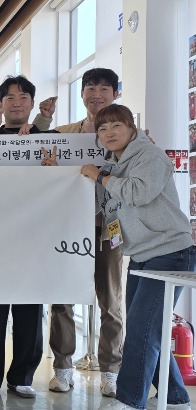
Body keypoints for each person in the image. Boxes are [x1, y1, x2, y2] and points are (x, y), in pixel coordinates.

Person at [42, 104, 194, 410]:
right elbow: (97, 200)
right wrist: (60, 172)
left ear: (132, 128)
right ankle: (175, 396)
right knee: (150, 328)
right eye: (102, 128)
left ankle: (128, 401)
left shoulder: (150, 156)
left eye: (116, 126)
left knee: (140, 331)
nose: (109, 133)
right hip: (140, 257)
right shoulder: (114, 165)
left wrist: (100, 176)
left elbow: (138, 192)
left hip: (170, 254)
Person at [35, 68, 124, 397]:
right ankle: (62, 367)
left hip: (108, 227)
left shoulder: (128, 136)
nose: (96, 94)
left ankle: (111, 370)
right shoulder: (64, 133)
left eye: (104, 88)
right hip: (68, 225)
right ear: (82, 93)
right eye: (90, 88)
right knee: (63, 297)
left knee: (110, 300)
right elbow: (38, 158)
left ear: (115, 93)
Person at [0, 75, 50, 398]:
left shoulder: (47, 138)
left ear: (32, 103)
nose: (16, 103)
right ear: (1, 103)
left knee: (29, 308)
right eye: (9, 98)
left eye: (22, 97)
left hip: (33, 237)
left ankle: (22, 376)